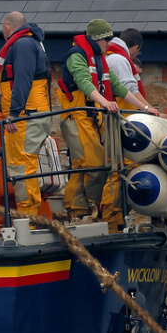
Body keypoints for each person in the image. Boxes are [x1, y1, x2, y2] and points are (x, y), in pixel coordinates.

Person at [0, 11, 53, 217]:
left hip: (25, 116)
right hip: (30, 111)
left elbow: (23, 79)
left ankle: (28, 218)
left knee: (20, 165)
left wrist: (13, 114)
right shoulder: (31, 44)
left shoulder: (22, 45)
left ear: (7, 28)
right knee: (26, 164)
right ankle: (31, 214)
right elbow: (20, 82)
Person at [55, 18, 122, 222]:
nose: (109, 44)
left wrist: (147, 108)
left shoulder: (99, 59)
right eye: (106, 39)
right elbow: (83, 82)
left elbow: (118, 87)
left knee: (84, 164)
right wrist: (105, 102)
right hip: (76, 117)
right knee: (91, 163)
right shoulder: (77, 56)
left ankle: (80, 208)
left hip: (90, 118)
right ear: (96, 39)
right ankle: (85, 209)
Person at [106, 28, 167, 118]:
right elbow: (131, 90)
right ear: (136, 47)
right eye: (139, 51)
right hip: (122, 117)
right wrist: (155, 113)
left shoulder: (110, 56)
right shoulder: (119, 60)